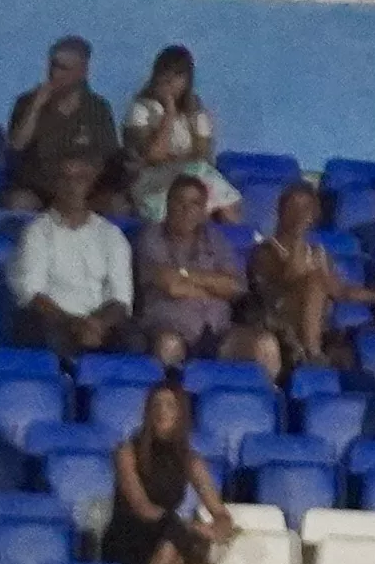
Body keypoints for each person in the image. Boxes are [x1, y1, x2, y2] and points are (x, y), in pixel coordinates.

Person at [100, 383, 232, 564]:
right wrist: (187, 527)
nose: (162, 411)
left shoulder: (191, 460)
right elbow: (141, 507)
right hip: (129, 536)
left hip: (167, 536)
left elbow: (220, 513)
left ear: (180, 413)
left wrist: (216, 530)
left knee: (175, 543)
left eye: (170, 406)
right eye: (157, 405)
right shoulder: (127, 453)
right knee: (176, 537)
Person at [6, 155, 130, 360]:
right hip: (55, 321)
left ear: (92, 185)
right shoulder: (37, 232)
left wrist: (97, 324)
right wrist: (74, 323)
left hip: (99, 325)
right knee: (40, 330)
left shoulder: (111, 235)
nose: (72, 186)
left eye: (80, 179)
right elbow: (32, 294)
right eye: (65, 179)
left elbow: (121, 297)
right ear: (55, 185)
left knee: (132, 341)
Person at [133, 173, 242, 362]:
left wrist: (184, 274)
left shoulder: (216, 239)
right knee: (169, 345)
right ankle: (168, 391)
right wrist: (215, 288)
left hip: (218, 329)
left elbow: (235, 288)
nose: (186, 210)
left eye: (195, 204)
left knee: (265, 346)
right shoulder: (152, 236)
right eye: (180, 202)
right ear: (168, 204)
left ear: (203, 210)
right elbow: (172, 287)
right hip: (170, 327)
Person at [121, 45, 234, 222]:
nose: (171, 80)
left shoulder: (195, 112)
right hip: (152, 181)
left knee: (212, 188)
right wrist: (169, 113)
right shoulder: (140, 109)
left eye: (178, 75)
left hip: (191, 176)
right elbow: (153, 156)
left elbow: (204, 157)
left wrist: (176, 159)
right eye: (166, 72)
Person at [246, 179, 347, 371]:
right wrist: (297, 237)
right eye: (293, 207)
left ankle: (314, 351)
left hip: (317, 323)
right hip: (278, 319)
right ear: (280, 210)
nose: (300, 213)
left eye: (306, 207)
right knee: (315, 281)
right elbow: (289, 277)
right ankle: (312, 353)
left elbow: (339, 291)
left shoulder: (319, 253)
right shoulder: (265, 251)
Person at [4, 35, 113, 210]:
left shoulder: (98, 109)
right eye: (53, 65)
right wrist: (35, 109)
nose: (55, 74)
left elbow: (107, 156)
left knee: (117, 206)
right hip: (39, 188)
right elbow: (17, 145)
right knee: (19, 202)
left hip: (84, 189)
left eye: (63, 68)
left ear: (82, 71)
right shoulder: (26, 102)